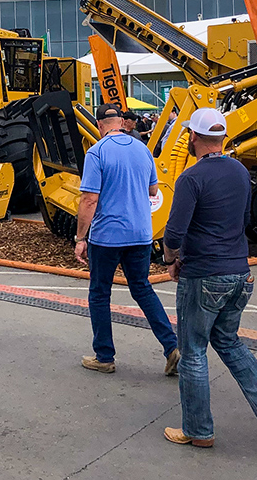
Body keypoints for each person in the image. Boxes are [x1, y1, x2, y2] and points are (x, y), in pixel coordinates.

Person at [162, 107, 257, 450]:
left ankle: (197, 430)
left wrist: (171, 259)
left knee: (192, 351)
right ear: (222, 137)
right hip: (240, 272)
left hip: (204, 274)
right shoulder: (239, 171)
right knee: (228, 341)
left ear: (193, 137)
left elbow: (174, 232)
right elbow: (243, 219)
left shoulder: (191, 179)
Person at [75, 103, 179, 375]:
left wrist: (80, 237)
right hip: (140, 233)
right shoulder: (142, 150)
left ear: (99, 125)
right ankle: (172, 346)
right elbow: (153, 188)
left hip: (107, 236)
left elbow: (89, 199)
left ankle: (104, 356)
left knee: (99, 293)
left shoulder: (96, 153)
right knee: (142, 288)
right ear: (121, 122)